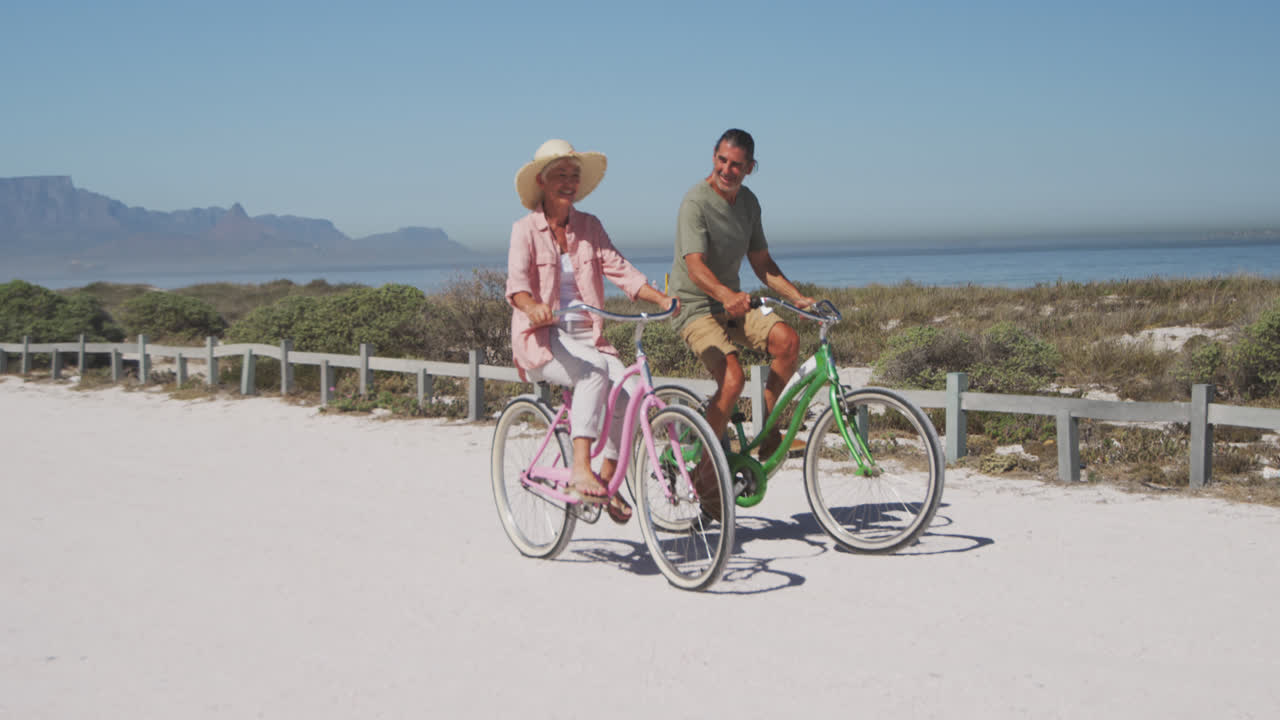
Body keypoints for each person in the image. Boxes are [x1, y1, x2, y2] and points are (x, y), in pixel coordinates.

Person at [506, 139, 676, 525]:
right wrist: (533, 307)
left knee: (630, 396)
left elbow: (620, 270)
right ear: (542, 182)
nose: (568, 182)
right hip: (543, 337)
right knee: (594, 371)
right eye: (560, 175)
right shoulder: (524, 230)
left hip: (590, 339)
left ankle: (605, 478)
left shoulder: (589, 226)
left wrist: (661, 298)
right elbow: (516, 285)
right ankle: (581, 468)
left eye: (574, 176)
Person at [668, 128, 816, 475]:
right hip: (695, 307)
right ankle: (705, 473)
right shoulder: (695, 202)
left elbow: (762, 263)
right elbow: (694, 266)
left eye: (736, 165)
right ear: (714, 157)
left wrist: (799, 298)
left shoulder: (749, 204)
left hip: (736, 303)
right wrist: (726, 295)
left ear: (749, 168)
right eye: (721, 160)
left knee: (788, 341)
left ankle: (766, 433)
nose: (726, 170)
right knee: (733, 380)